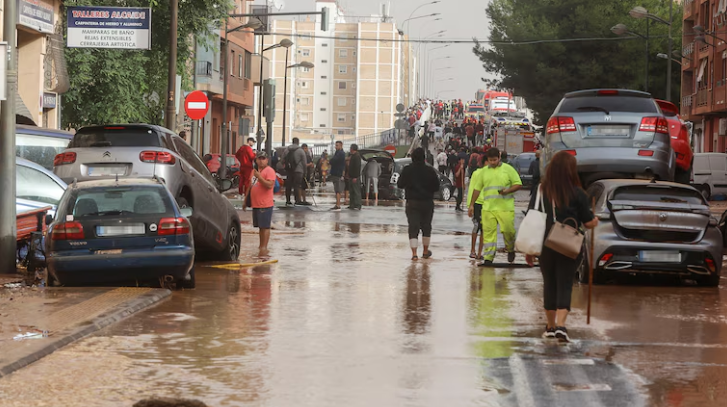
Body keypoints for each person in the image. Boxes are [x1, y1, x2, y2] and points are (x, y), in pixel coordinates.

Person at [526, 151, 598, 342]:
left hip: (545, 243)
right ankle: (561, 326)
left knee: (549, 283)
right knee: (565, 283)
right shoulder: (578, 193)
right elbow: (589, 223)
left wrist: (529, 250)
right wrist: (595, 220)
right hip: (569, 244)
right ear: (571, 170)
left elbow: (532, 216)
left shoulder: (541, 190)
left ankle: (550, 327)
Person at [468, 147, 523, 266]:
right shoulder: (484, 172)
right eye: (490, 160)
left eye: (494, 160)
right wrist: (471, 204)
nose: (492, 162)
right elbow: (477, 189)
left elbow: (518, 184)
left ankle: (510, 249)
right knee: (488, 234)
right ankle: (488, 257)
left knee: (508, 231)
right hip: (488, 208)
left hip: (505, 208)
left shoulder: (508, 169)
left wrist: (507, 191)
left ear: (499, 158)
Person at [397, 148, 440, 260]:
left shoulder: (407, 170)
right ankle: (425, 251)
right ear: (424, 158)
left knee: (413, 227)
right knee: (426, 227)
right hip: (427, 202)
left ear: (412, 158)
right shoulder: (430, 170)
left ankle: (414, 254)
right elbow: (436, 187)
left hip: (412, 203)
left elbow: (400, 184)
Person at [250, 151, 276, 257]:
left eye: (263, 158)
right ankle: (261, 246)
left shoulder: (269, 171)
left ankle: (264, 248)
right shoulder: (255, 171)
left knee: (265, 227)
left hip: (265, 204)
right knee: (260, 227)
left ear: (267, 160)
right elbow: (250, 186)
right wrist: (246, 200)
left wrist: (260, 177)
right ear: (256, 160)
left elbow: (270, 185)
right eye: (259, 158)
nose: (261, 161)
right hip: (256, 204)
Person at [466, 155, 487, 259]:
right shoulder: (477, 173)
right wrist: (470, 205)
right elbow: (472, 188)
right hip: (477, 203)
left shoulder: (493, 174)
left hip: (488, 204)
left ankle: (480, 253)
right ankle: (472, 250)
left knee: (484, 229)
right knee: (476, 226)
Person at [283, 137, 308, 207]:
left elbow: (282, 160)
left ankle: (288, 200)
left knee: (288, 186)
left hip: (289, 170)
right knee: (297, 185)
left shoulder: (287, 149)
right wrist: (305, 172)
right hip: (298, 171)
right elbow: (304, 162)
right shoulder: (301, 151)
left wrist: (285, 167)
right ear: (298, 142)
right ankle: (297, 201)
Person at [329, 141, 346, 211]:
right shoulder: (338, 153)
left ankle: (338, 204)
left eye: (337, 145)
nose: (336, 147)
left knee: (338, 190)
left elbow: (334, 160)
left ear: (341, 146)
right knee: (336, 189)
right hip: (335, 173)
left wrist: (330, 161)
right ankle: (337, 204)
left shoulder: (341, 153)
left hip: (337, 173)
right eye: (335, 145)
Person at [348, 144, 363, 210]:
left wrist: (355, 177)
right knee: (352, 191)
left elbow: (357, 167)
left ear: (352, 149)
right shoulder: (353, 156)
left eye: (350, 148)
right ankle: (352, 204)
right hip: (351, 176)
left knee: (356, 191)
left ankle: (358, 204)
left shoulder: (357, 156)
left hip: (355, 177)